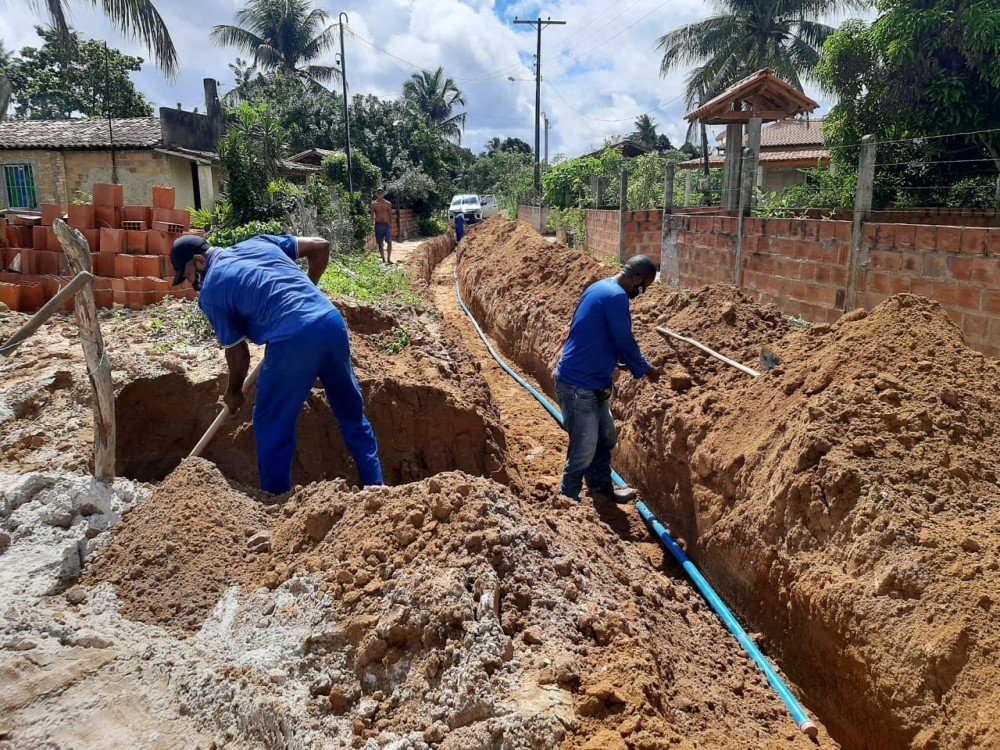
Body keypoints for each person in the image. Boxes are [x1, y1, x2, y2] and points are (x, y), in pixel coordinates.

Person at [170, 233, 383, 495]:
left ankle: (275, 501)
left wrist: (234, 392)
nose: (191, 284)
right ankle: (376, 489)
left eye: (189, 276)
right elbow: (320, 246)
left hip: (294, 340)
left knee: (271, 423)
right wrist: (308, 289)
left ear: (200, 261)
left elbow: (239, 354)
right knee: (351, 412)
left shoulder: (212, 289)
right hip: (330, 321)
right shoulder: (257, 243)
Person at [554, 255, 661, 504]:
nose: (641, 292)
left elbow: (593, 331)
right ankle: (567, 498)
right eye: (643, 286)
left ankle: (601, 487)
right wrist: (645, 369)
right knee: (585, 445)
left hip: (595, 381)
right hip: (577, 383)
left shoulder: (599, 287)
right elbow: (624, 339)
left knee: (606, 436)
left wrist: (612, 359)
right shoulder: (616, 297)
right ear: (636, 279)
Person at [371, 188, 394, 262]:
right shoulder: (373, 204)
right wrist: (372, 225)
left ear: (384, 194)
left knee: (389, 241)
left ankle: (389, 259)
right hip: (378, 225)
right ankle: (383, 259)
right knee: (380, 243)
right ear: (376, 194)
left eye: (381, 193)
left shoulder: (388, 203)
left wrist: (391, 225)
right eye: (378, 193)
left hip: (386, 225)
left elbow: (390, 215)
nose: (380, 194)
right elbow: (372, 216)